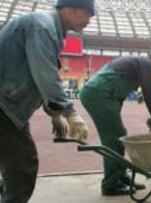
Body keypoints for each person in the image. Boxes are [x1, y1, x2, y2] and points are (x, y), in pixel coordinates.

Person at [0, 0, 94, 202]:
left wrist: (55, 114)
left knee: (12, 163)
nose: (89, 21)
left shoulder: (49, 29)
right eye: (88, 14)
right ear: (71, 9)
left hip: (8, 105)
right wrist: (69, 112)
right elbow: (44, 75)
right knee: (22, 164)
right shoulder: (42, 27)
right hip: (4, 105)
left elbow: (37, 76)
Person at [79, 49, 151, 196]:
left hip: (102, 94)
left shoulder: (136, 66)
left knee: (119, 134)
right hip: (98, 94)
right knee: (113, 138)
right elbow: (150, 93)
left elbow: (122, 94)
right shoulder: (145, 64)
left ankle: (121, 177)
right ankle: (110, 184)